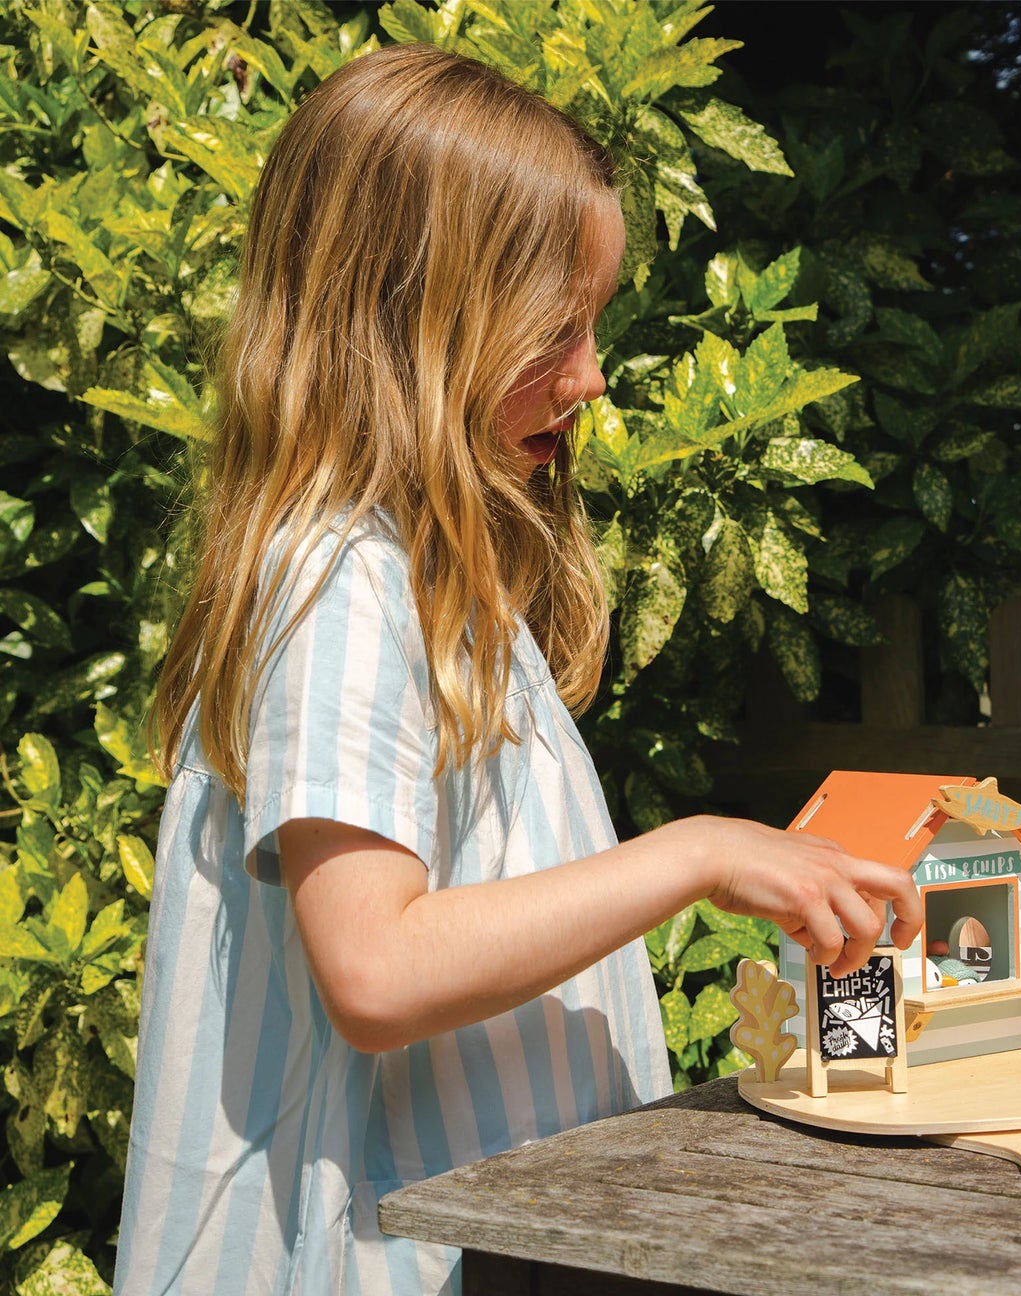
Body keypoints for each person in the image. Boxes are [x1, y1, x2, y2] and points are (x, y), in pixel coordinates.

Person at [116, 44, 920, 1296]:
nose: (591, 376)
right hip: (394, 1261)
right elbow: (376, 969)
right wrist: (696, 854)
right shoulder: (342, 583)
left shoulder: (426, 574)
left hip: (489, 1239)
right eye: (555, 333)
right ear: (406, 325)